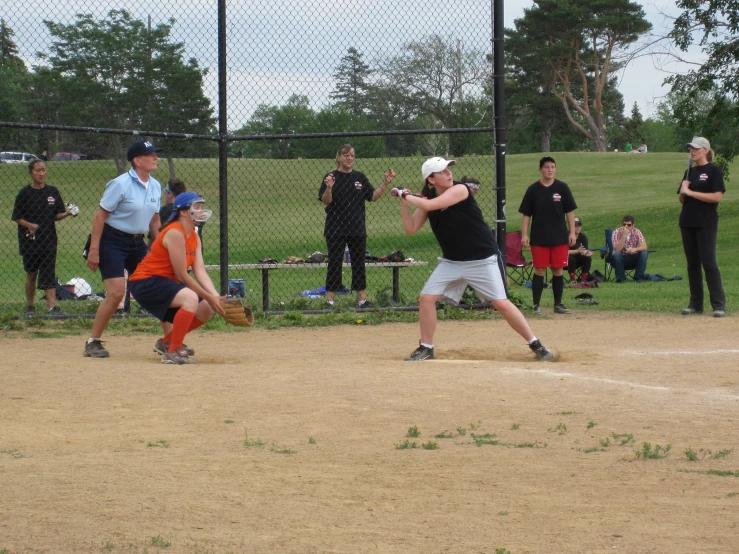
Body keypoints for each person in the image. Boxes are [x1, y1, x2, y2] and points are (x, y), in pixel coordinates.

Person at [394, 157, 554, 362]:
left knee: (501, 304)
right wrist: (404, 202)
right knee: (426, 298)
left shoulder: (460, 189)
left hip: (482, 259)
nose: (448, 173)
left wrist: (407, 195)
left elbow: (433, 204)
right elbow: (411, 229)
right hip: (452, 262)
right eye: (442, 171)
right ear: (431, 180)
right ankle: (426, 348)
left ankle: (535, 343)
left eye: (448, 169)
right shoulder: (426, 200)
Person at [84, 139, 164, 358]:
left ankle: (169, 342)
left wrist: (158, 249)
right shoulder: (120, 183)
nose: (155, 158)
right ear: (137, 161)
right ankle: (93, 342)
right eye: (151, 155)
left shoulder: (155, 185)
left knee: (157, 287)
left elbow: (155, 221)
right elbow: (100, 216)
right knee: (116, 292)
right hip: (112, 240)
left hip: (138, 243)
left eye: (155, 154)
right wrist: (94, 249)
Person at [129, 192, 225, 364]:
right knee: (190, 298)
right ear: (183, 211)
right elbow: (181, 274)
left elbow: (200, 270)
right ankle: (173, 351)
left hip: (164, 282)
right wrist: (209, 296)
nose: (201, 211)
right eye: (196, 207)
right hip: (145, 282)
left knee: (205, 308)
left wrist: (215, 297)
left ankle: (167, 342)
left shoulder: (194, 236)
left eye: (201, 207)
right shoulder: (175, 233)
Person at [318, 144, 396, 309]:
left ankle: (362, 301)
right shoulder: (330, 177)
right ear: (339, 157)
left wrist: (386, 183)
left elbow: (373, 197)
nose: (349, 158)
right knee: (334, 262)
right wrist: (329, 188)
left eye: (352, 155)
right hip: (335, 228)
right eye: (346, 155)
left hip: (357, 228)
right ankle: (329, 301)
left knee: (358, 263)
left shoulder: (359, 177)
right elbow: (325, 200)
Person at [12, 159, 77, 315]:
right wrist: (29, 225)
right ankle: (30, 306)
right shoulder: (24, 193)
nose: (41, 173)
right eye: (37, 170)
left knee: (49, 272)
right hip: (30, 240)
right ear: (31, 173)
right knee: (32, 272)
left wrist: (68, 213)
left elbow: (56, 215)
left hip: (49, 239)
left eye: (43, 170)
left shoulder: (52, 192)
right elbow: (17, 217)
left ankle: (52, 308)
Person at [519, 156, 577, 315]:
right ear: (540, 170)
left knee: (558, 270)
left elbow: (570, 211)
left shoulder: (562, 188)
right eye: (546, 167)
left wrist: (572, 232)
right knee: (539, 270)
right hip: (539, 237)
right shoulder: (533, 189)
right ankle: (536, 305)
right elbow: (526, 214)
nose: (550, 170)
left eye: (552, 167)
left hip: (559, 237)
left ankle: (558, 304)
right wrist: (524, 234)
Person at [678, 137, 726, 317]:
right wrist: (684, 190)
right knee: (692, 264)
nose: (692, 151)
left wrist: (691, 192)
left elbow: (716, 197)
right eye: (691, 148)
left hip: (706, 223)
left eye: (696, 149)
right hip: (687, 221)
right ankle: (695, 303)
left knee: (709, 262)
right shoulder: (689, 171)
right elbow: (683, 200)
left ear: (705, 150)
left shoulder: (714, 171)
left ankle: (718, 304)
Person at [610, 215, 649, 282]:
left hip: (633, 258)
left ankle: (638, 278)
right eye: (624, 224)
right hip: (620, 259)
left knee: (644, 252)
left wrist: (635, 249)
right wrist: (624, 235)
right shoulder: (616, 232)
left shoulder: (636, 232)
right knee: (616, 255)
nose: (626, 227)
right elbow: (617, 250)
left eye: (629, 225)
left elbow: (644, 246)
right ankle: (621, 279)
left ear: (633, 225)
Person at [566, 217, 592, 283]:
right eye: (575, 226)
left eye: (579, 226)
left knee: (587, 258)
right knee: (571, 258)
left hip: (578, 260)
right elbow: (564, 252)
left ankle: (583, 279)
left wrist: (587, 252)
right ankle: (573, 279)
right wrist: (577, 251)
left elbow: (584, 251)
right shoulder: (566, 236)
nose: (578, 228)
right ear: (570, 227)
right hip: (566, 261)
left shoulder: (583, 237)